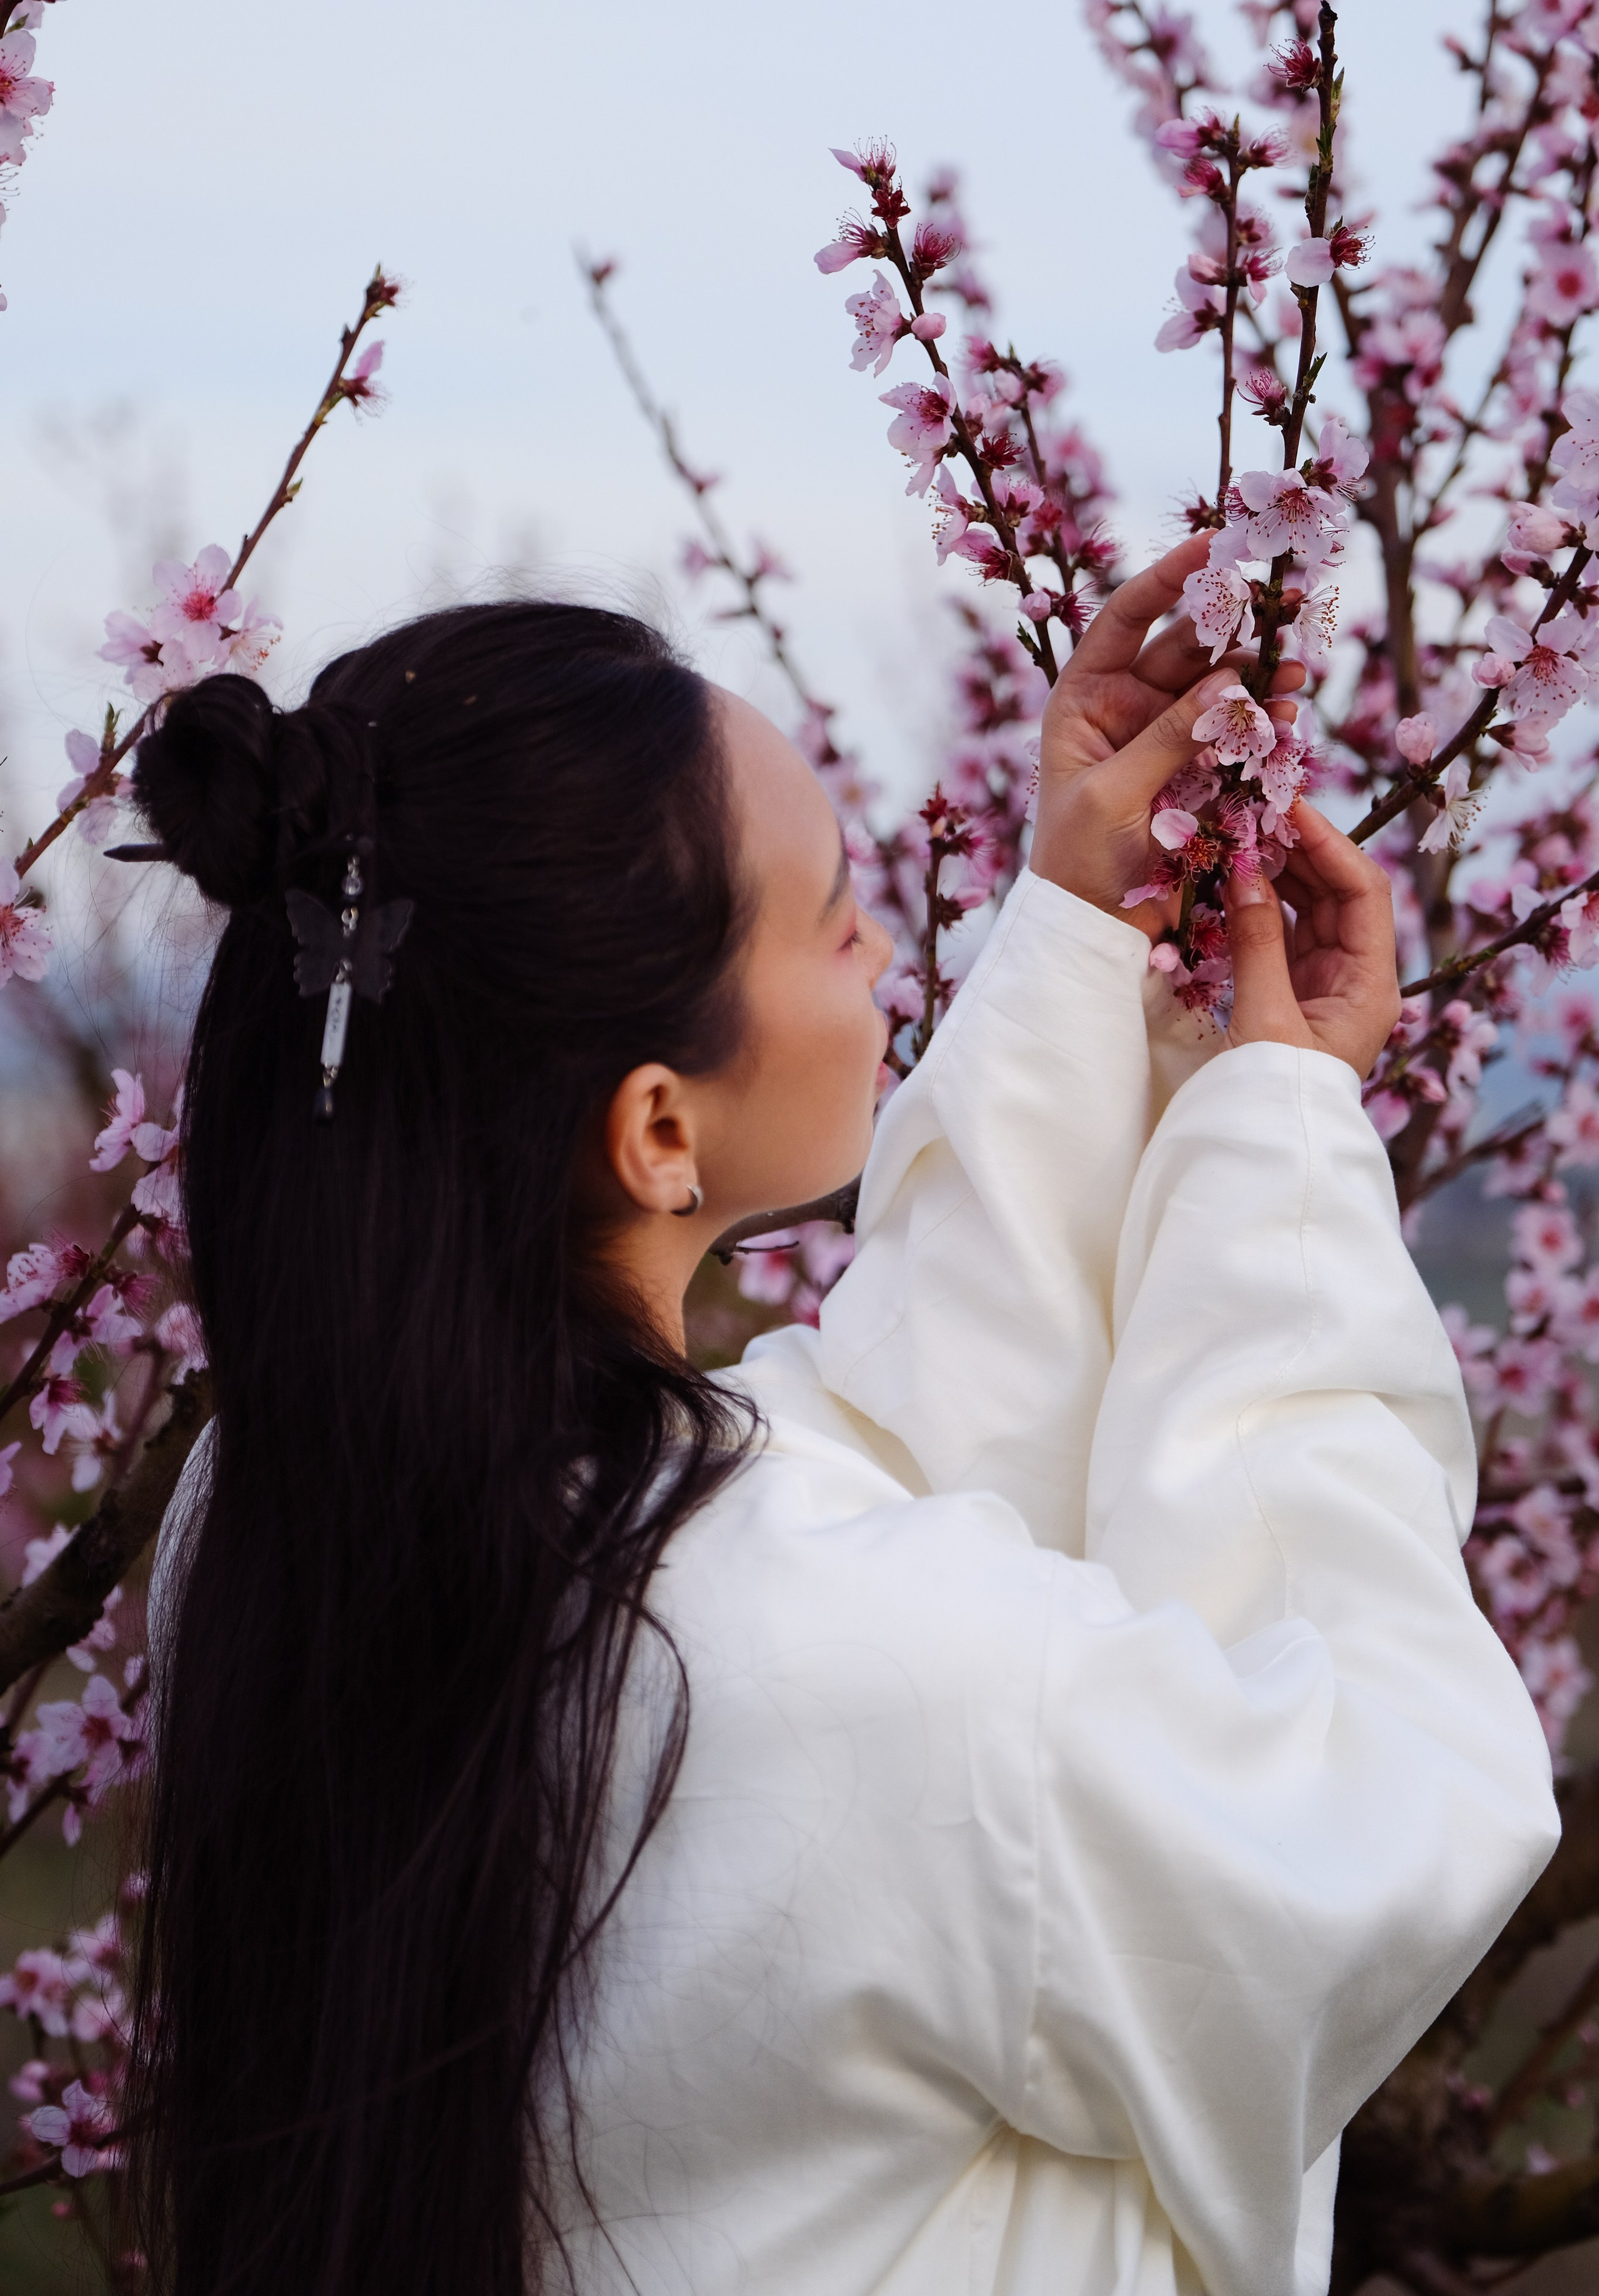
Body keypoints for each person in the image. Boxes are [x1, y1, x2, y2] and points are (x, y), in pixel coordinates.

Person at [126, 536, 1558, 2296]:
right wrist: (1282, 1168)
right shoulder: (836, 1668)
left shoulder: (271, 1508)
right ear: (659, 1130)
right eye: (829, 917)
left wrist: (1077, 937)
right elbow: (1379, 1807)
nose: (883, 938)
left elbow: (878, 1481)